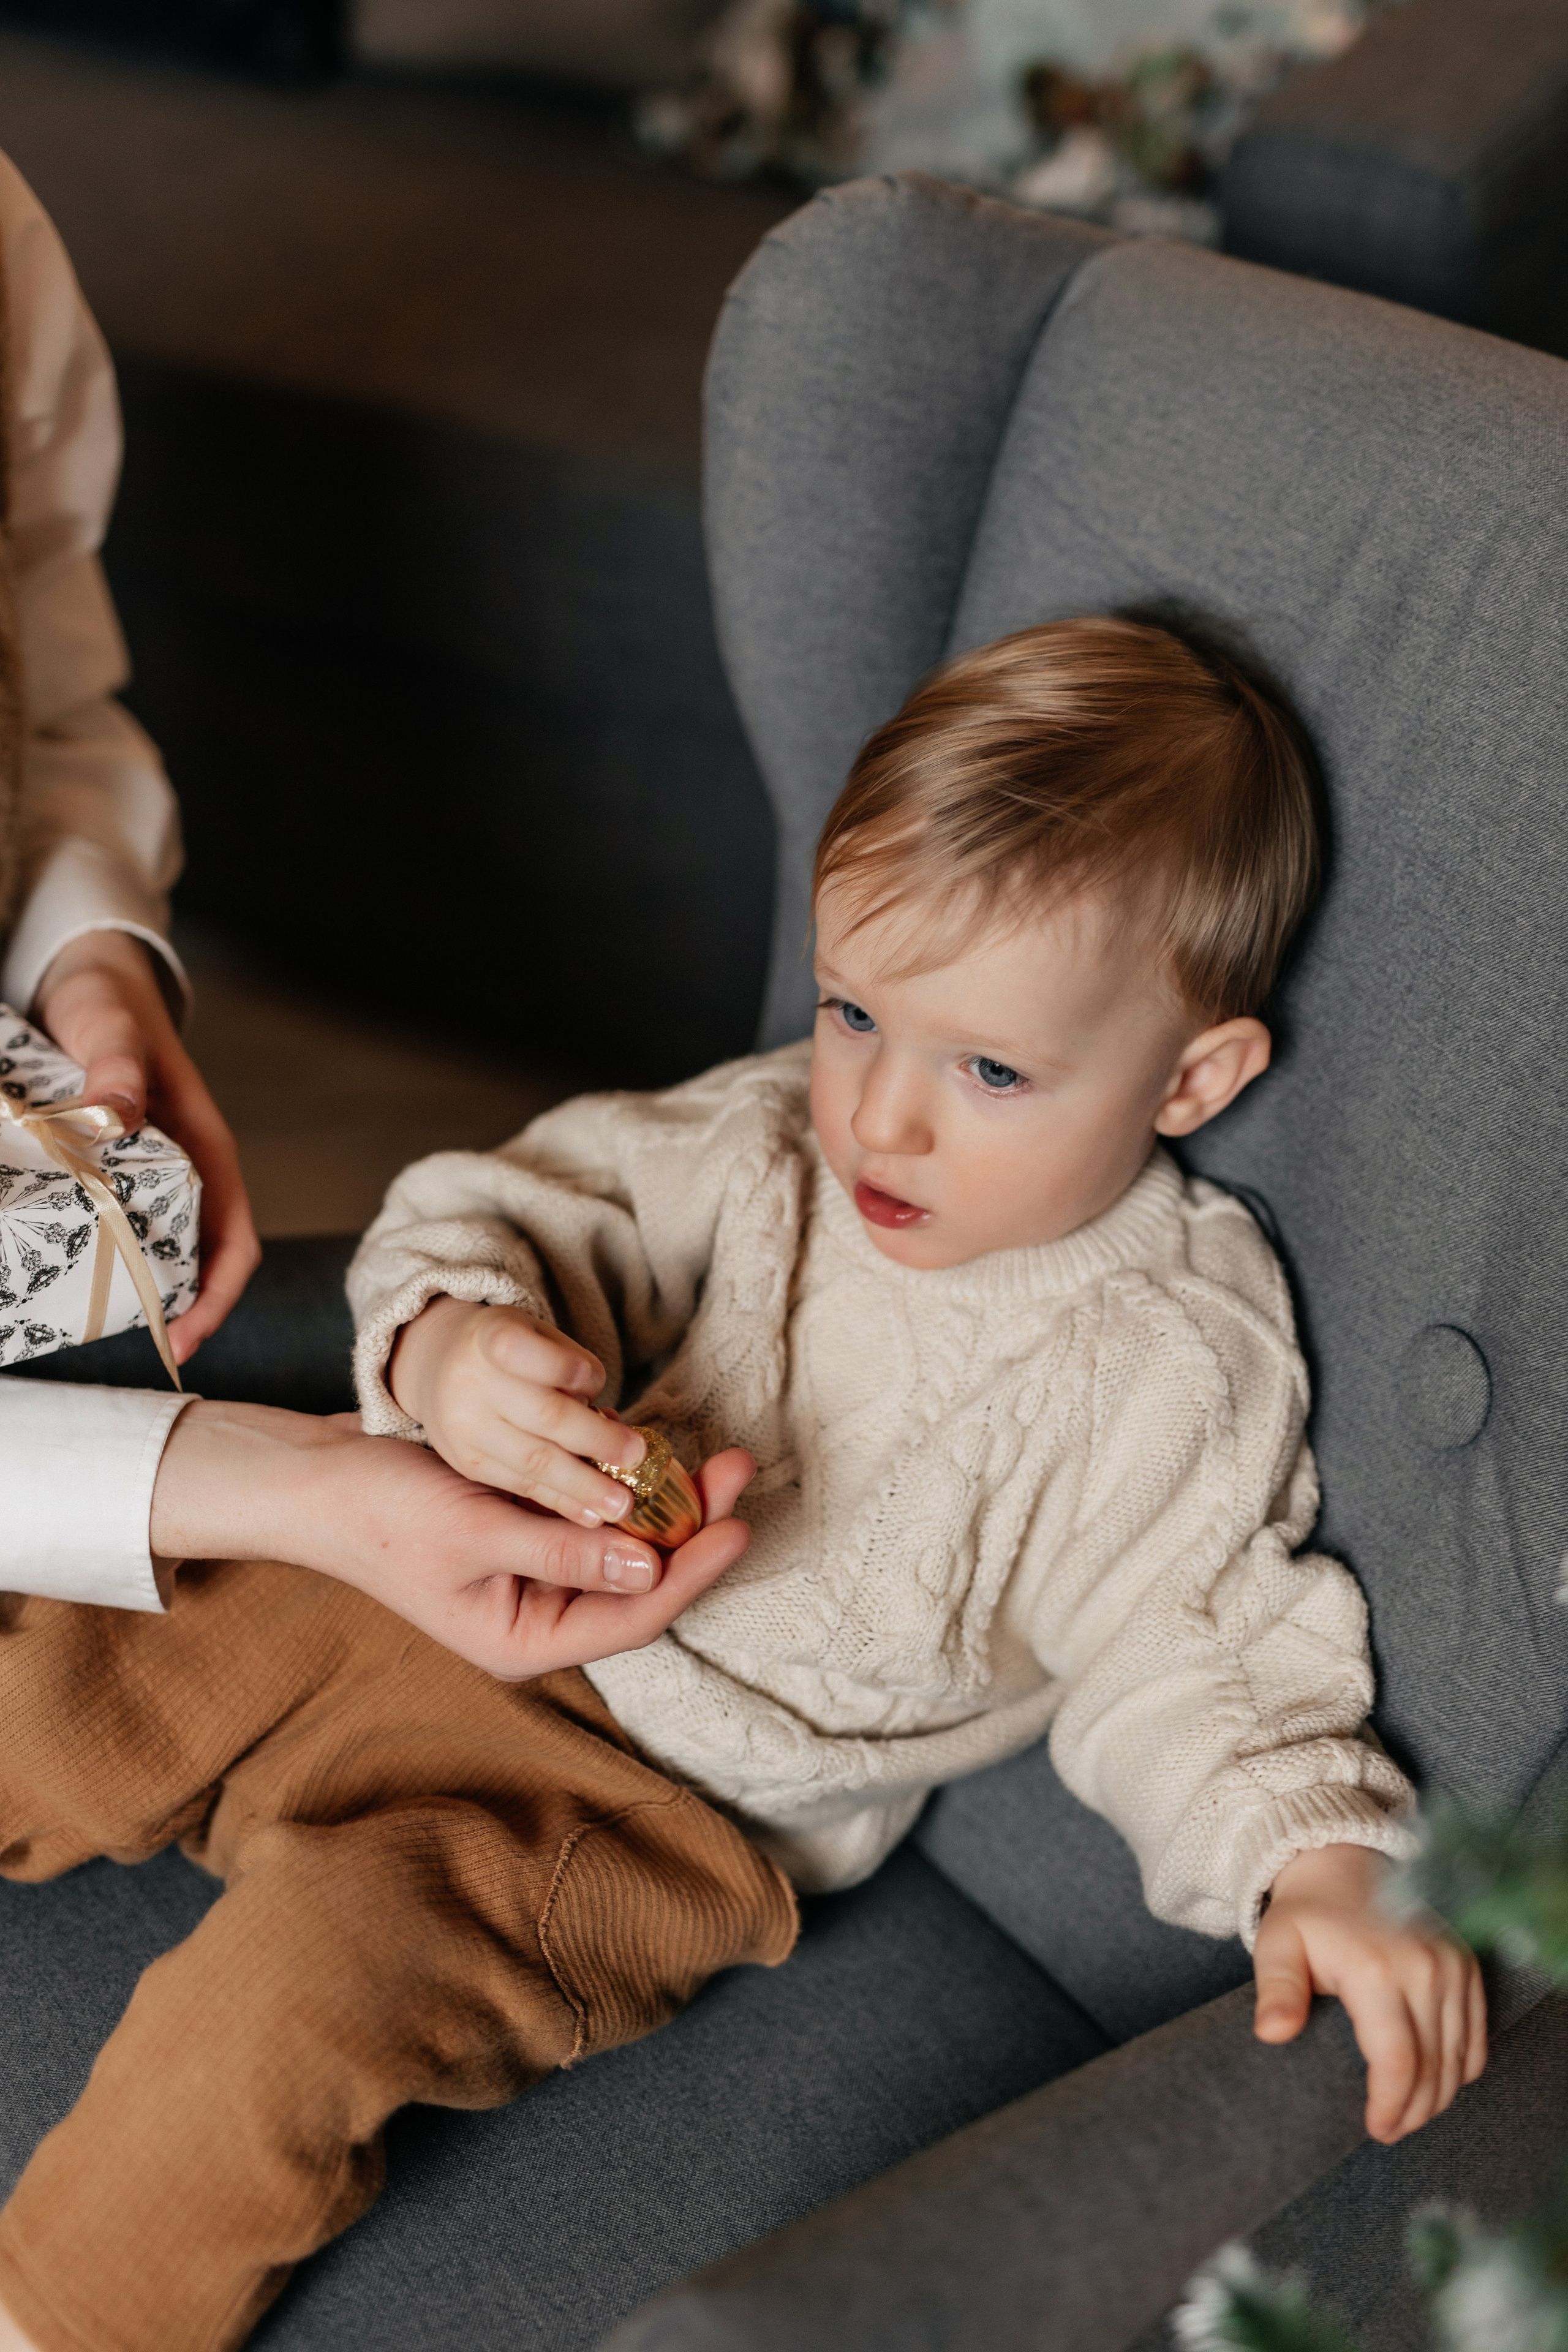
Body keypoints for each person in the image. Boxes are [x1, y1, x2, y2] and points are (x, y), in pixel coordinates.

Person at [0, 617, 1487, 2352]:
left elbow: (1207, 1649)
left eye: (990, 1071)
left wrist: (1311, 1861)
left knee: (290, 2007)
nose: (883, 1120)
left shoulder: (1166, 1357)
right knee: (60, 1668)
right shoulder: (774, 1132)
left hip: (631, 1811)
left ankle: (61, 2317)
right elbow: (522, 1202)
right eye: (856, 1011)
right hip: (403, 1592)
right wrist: (457, 1349)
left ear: (1193, 1077)